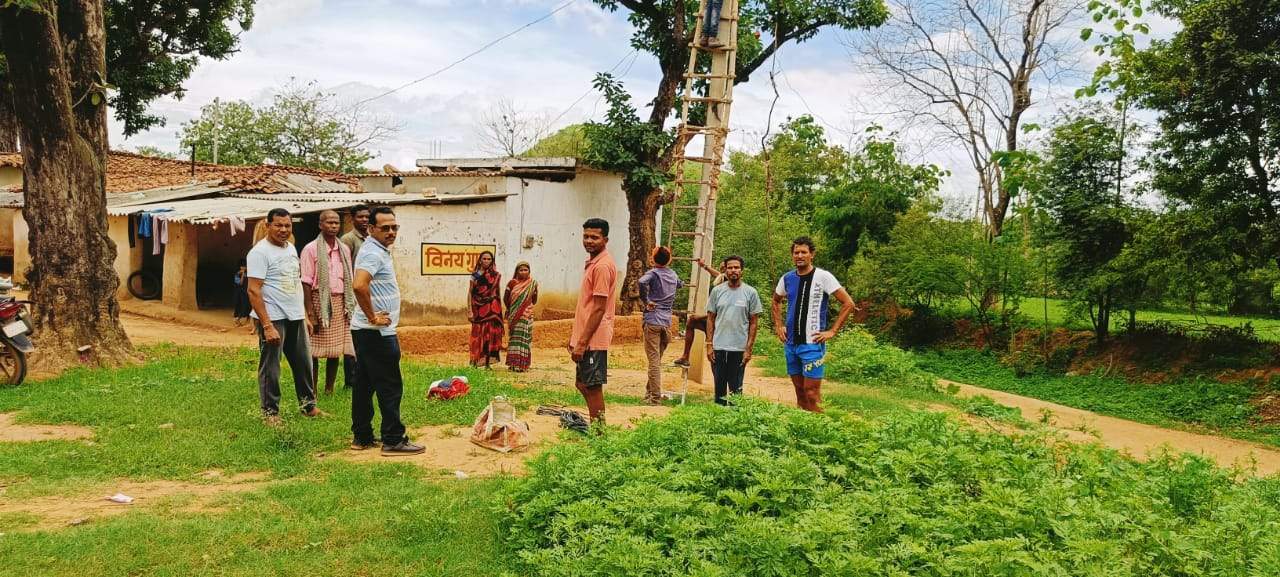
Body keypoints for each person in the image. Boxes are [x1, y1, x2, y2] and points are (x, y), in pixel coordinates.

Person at [351, 206, 424, 455]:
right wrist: (373, 316)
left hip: (366, 331)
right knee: (390, 386)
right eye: (385, 228)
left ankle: (362, 436)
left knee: (364, 385)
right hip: (377, 333)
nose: (391, 232)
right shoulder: (373, 252)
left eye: (394, 227)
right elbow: (359, 286)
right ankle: (393, 439)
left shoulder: (376, 249)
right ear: (371, 229)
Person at [246, 208, 320, 425]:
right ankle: (270, 412)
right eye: (278, 225)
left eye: (287, 225)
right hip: (274, 317)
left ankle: (308, 406)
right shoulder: (259, 253)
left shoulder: (290, 248)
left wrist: (304, 315)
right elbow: (253, 290)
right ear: (268, 225)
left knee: (304, 363)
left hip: (295, 316)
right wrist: (267, 325)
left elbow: (295, 282)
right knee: (271, 367)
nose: (283, 229)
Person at [771, 237, 857, 413]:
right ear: (792, 255)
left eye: (804, 252)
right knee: (800, 391)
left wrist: (832, 331)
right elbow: (775, 301)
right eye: (796, 252)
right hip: (791, 344)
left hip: (812, 344)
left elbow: (848, 303)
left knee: (812, 393)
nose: (799, 256)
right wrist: (779, 326)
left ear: (812, 255)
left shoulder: (823, 277)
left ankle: (820, 427)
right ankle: (803, 426)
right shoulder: (787, 278)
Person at [568, 218, 618, 423]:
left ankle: (599, 433)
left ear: (605, 239)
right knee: (582, 384)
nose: (589, 241)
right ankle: (597, 426)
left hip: (594, 339)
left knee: (593, 386)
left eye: (594, 237)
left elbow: (598, 308)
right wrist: (575, 338)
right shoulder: (593, 263)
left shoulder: (602, 266)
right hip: (585, 336)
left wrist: (582, 342)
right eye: (586, 236)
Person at [301, 210, 356, 395]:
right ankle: (313, 390)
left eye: (336, 223)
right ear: (320, 225)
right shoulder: (310, 249)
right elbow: (306, 282)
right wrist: (310, 312)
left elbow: (349, 277)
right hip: (318, 301)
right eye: (329, 222)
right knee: (313, 350)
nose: (333, 226)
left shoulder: (344, 249)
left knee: (335, 349)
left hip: (340, 302)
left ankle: (329, 389)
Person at [705, 256, 762, 406]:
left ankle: (735, 418)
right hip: (718, 348)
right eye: (730, 268)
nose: (733, 270)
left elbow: (754, 323)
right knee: (719, 391)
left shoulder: (750, 293)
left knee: (736, 392)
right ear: (725, 270)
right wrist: (709, 344)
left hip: (739, 349)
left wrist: (748, 349)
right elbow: (710, 318)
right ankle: (718, 418)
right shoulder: (717, 291)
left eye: (736, 267)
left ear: (742, 270)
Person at [637, 246, 682, 404]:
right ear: (669, 259)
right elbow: (680, 284)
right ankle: (649, 393)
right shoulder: (673, 274)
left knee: (654, 361)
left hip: (653, 320)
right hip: (666, 323)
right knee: (656, 360)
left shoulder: (653, 273)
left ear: (653, 259)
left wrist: (647, 300)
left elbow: (641, 281)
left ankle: (655, 398)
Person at [673, 258, 726, 367]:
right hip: (713, 319)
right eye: (721, 269)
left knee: (693, 319)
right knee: (691, 321)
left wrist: (701, 316)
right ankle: (685, 356)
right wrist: (704, 266)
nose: (720, 271)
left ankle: (687, 356)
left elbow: (720, 311)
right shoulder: (723, 279)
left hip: (719, 321)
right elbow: (717, 274)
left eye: (723, 269)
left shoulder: (728, 287)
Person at [469, 251, 504, 369]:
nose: (486, 261)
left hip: (493, 309)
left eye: (489, 259)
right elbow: (470, 293)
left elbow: (497, 292)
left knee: (490, 335)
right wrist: (469, 310)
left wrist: (499, 309)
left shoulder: (496, 275)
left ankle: (488, 363)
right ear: (480, 260)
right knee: (478, 335)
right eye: (484, 259)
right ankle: (475, 362)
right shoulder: (475, 275)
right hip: (478, 308)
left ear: (492, 261)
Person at [503, 262, 538, 372]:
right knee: (515, 337)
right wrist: (513, 309)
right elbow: (505, 298)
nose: (523, 272)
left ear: (529, 271)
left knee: (525, 338)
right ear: (517, 271)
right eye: (521, 270)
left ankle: (523, 364)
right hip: (514, 314)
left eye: (525, 270)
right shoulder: (512, 283)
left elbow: (534, 300)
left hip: (527, 314)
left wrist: (532, 295)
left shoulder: (532, 283)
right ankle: (513, 364)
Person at [232, 257, 251, 327]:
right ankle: (237, 320)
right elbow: (240, 283)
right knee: (239, 305)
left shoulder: (248, 273)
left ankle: (246, 320)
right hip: (239, 293)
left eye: (244, 266)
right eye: (242, 266)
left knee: (247, 305)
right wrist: (242, 274)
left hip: (246, 292)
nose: (243, 268)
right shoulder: (237, 274)